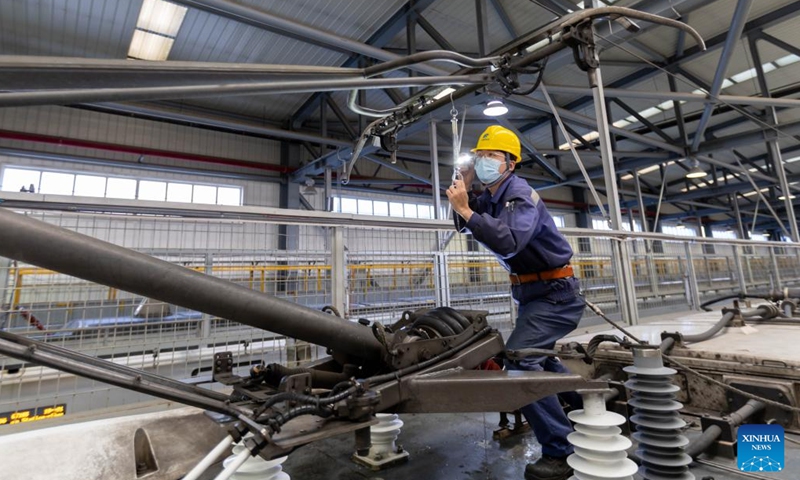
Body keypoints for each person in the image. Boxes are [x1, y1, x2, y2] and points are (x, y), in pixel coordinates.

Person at [445, 125, 584, 480]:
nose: (485, 161)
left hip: (556, 296)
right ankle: (587, 410)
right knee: (542, 360)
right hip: (533, 295)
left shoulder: (519, 194)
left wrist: (467, 211)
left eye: (492, 156)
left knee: (522, 361)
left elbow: (508, 242)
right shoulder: (491, 195)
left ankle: (560, 450)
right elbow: (463, 223)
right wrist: (462, 193)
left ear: (510, 162)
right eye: (481, 156)